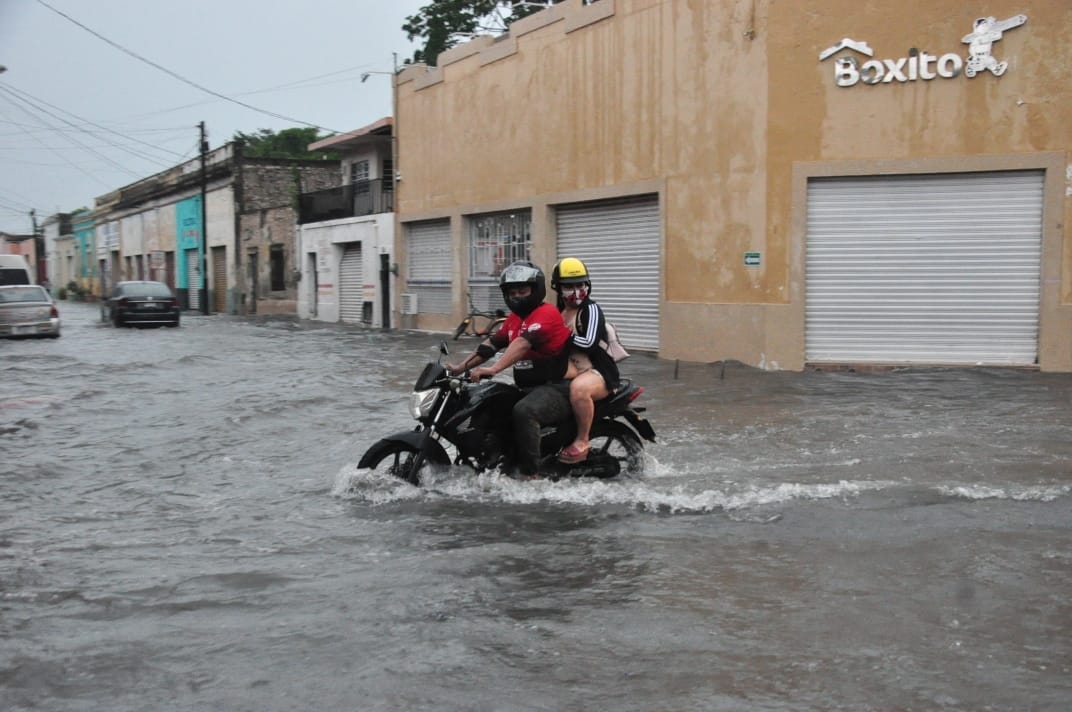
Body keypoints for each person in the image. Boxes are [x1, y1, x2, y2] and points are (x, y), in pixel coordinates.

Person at [446, 261, 573, 477]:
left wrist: (494, 369)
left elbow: (523, 343)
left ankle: (530, 473)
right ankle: (498, 458)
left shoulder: (547, 314)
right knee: (492, 403)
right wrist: (460, 367)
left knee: (524, 411)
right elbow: (491, 344)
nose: (517, 296)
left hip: (556, 388)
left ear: (536, 289)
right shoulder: (514, 319)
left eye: (522, 291)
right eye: (512, 292)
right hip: (529, 387)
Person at [551, 257, 620, 464]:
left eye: (580, 284)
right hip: (570, 369)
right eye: (569, 286)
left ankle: (582, 440)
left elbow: (589, 343)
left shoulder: (591, 310)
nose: (576, 290)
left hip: (598, 371)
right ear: (558, 288)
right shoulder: (557, 312)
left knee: (579, 390)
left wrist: (560, 334)